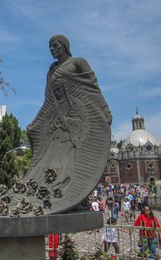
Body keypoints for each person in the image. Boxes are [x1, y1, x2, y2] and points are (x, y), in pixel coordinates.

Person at [22, 34, 112, 214]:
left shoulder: (77, 63)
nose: (52, 49)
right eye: (50, 47)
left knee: (66, 161)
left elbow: (93, 87)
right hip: (55, 123)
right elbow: (48, 101)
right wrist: (37, 123)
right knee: (47, 160)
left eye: (55, 45)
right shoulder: (51, 69)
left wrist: (105, 109)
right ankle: (46, 192)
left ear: (64, 46)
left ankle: (70, 195)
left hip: (72, 122)